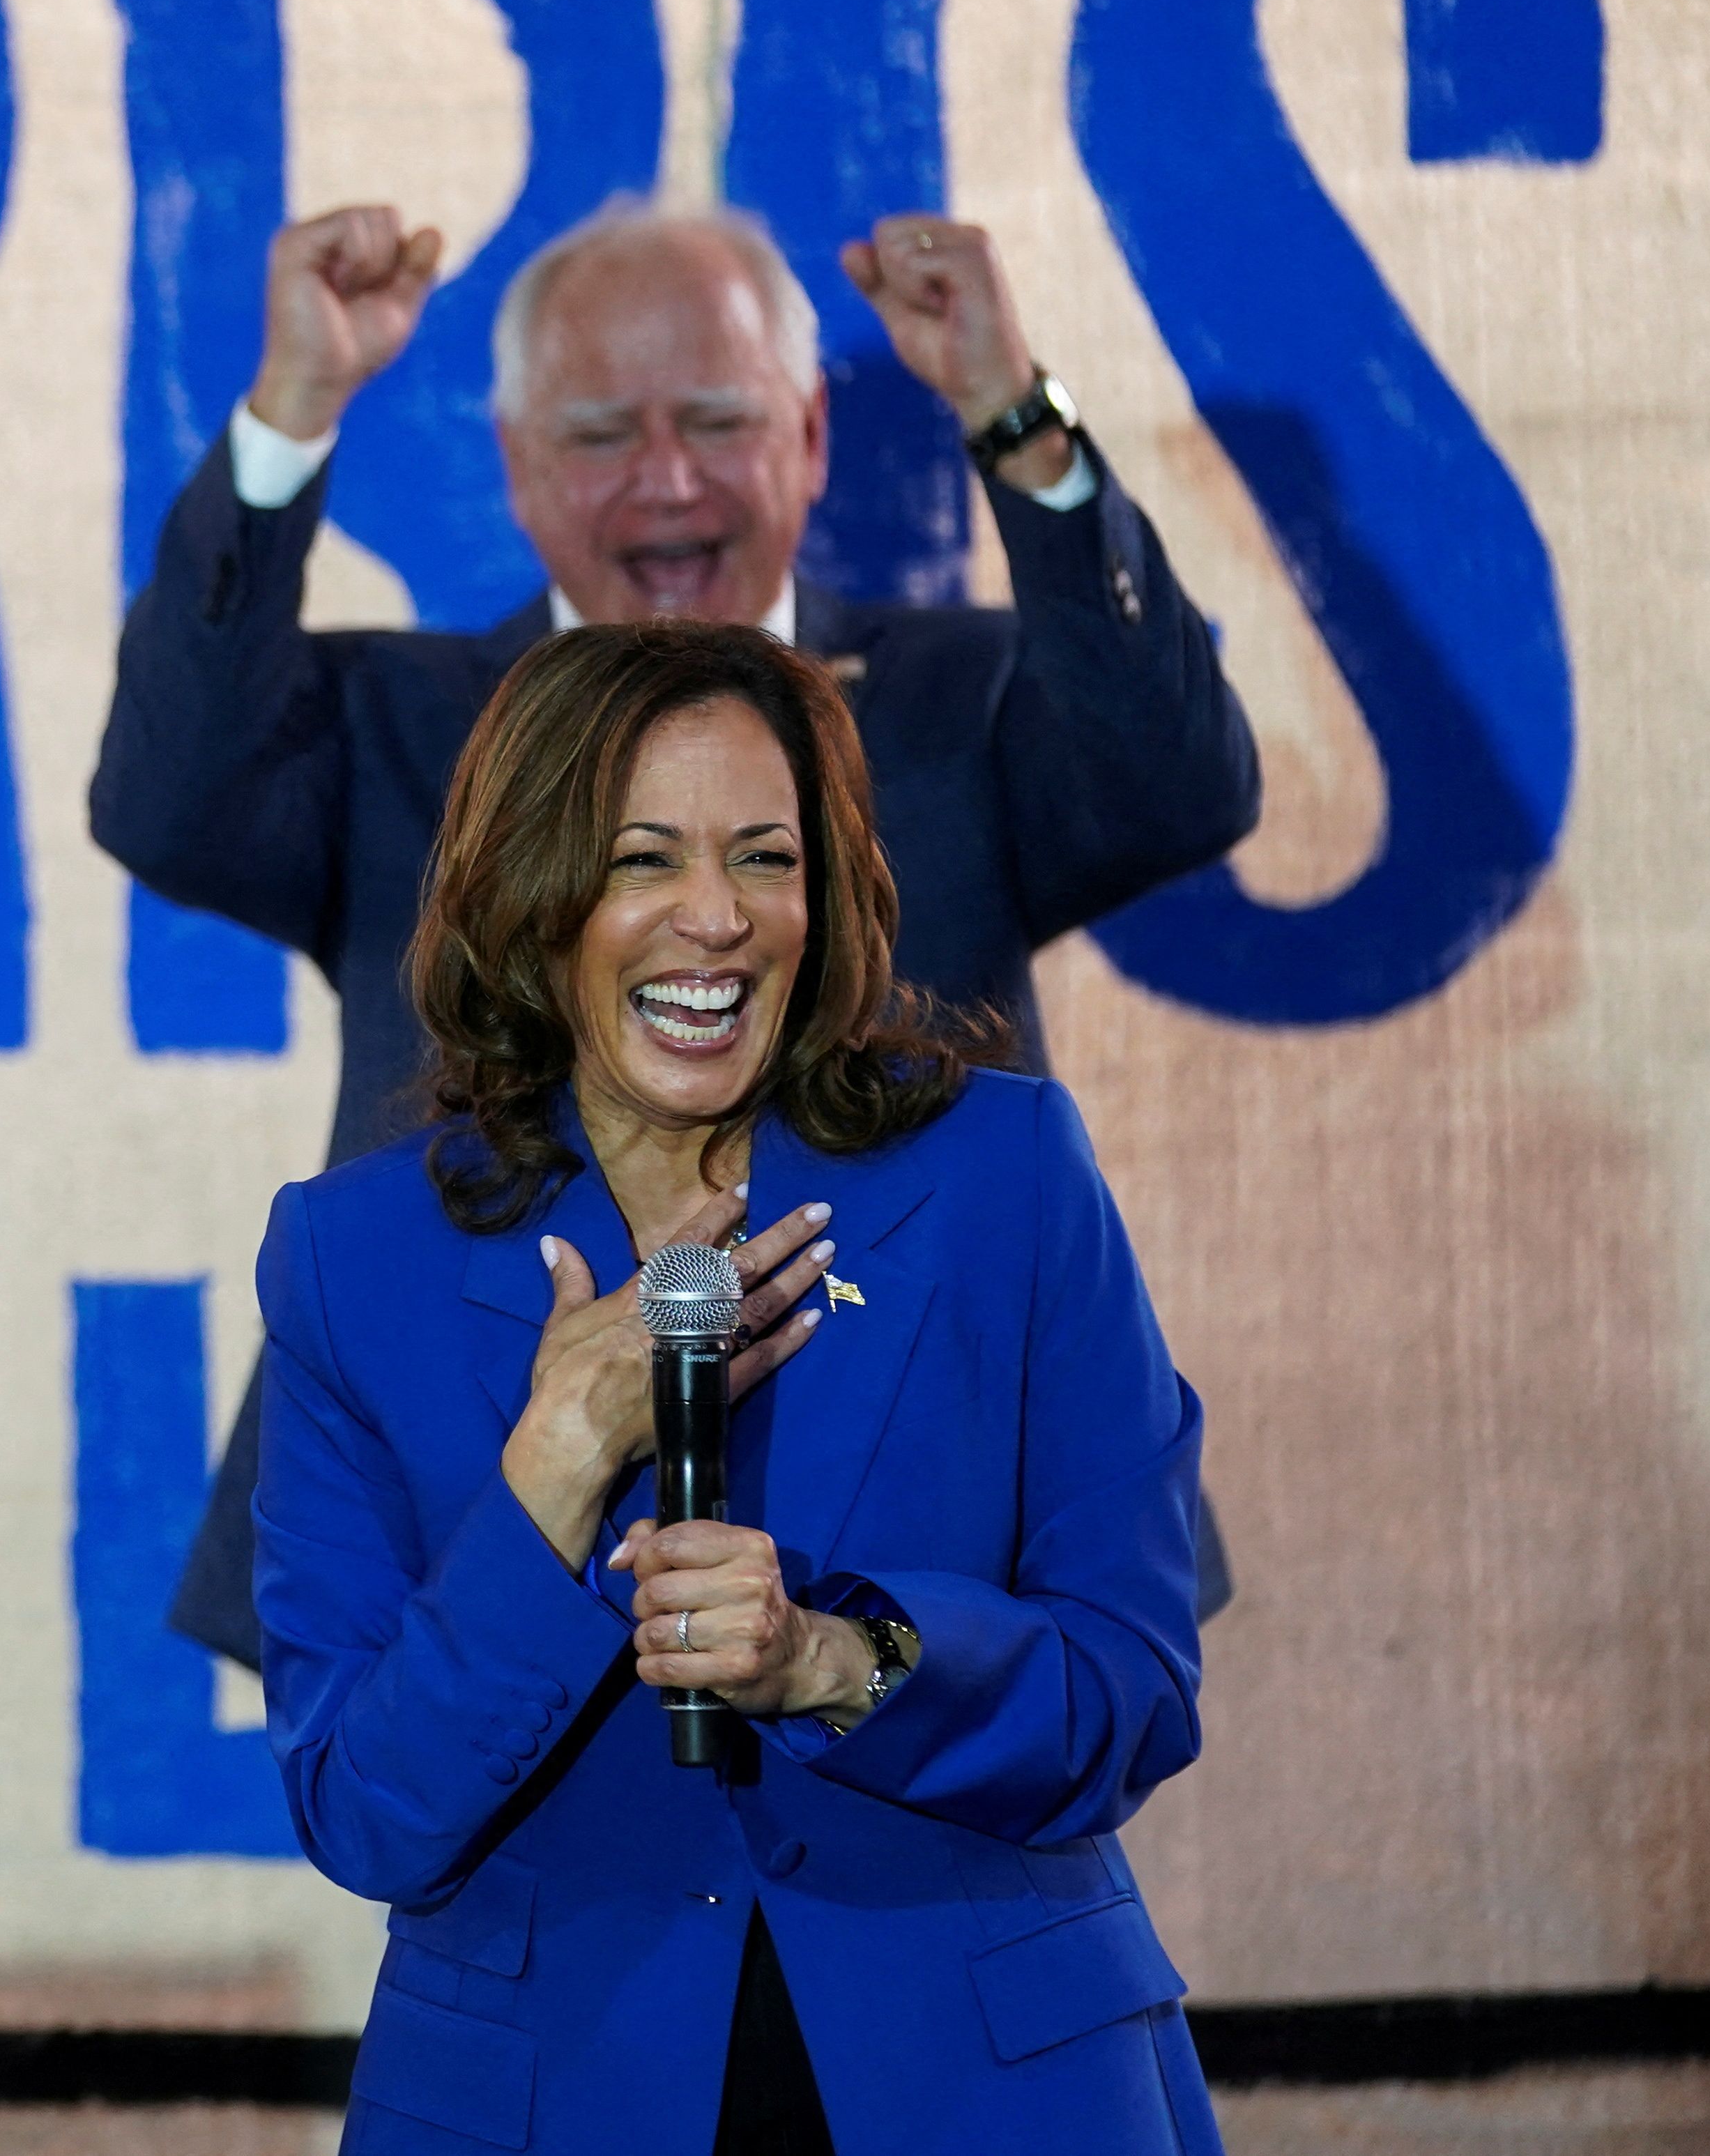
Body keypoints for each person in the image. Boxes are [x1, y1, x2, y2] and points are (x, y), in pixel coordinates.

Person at [96, 199, 1258, 1665]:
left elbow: (1184, 783)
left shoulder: (964, 698)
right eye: (598, 437)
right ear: (514, 467)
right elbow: (164, 799)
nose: (665, 481)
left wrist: (1009, 413)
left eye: (716, 420)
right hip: (472, 1500)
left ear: (812, 436)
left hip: (922, 1511)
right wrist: (294, 409)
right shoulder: (397, 729)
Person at [257, 620, 1214, 2155]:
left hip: (989, 2085)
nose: (715, 920)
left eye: (765, 858)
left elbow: (1137, 1684)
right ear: (531, 893)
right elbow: (362, 1807)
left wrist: (842, 1659)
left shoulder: (1001, 1178)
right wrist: (558, 1460)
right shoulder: (353, 1260)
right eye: (644, 858)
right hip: (544, 2100)